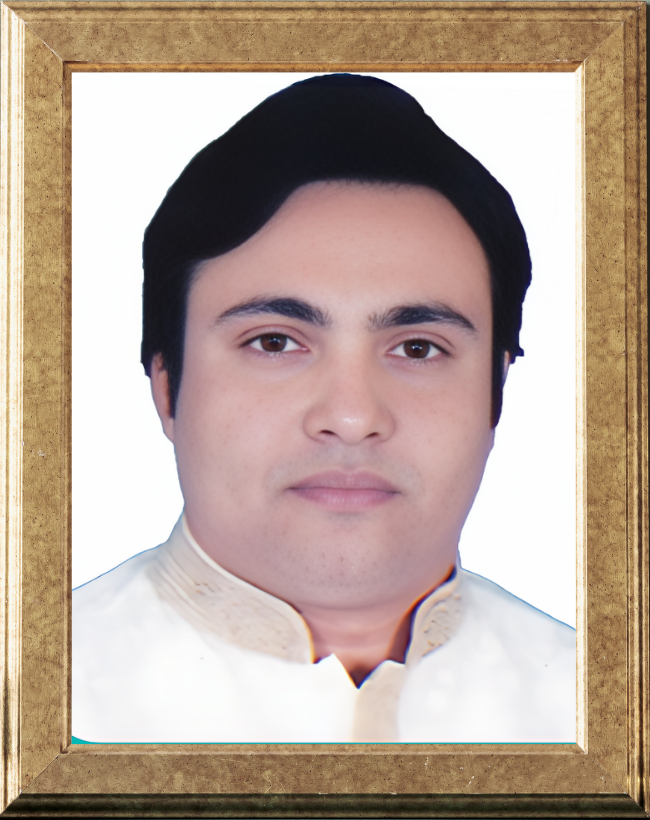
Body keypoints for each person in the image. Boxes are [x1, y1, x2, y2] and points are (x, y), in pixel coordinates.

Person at [73, 74, 575, 743]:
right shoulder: (33, 700)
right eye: (274, 342)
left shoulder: (604, 712)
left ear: (497, 392)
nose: (352, 416)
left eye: (418, 348)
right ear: (165, 385)